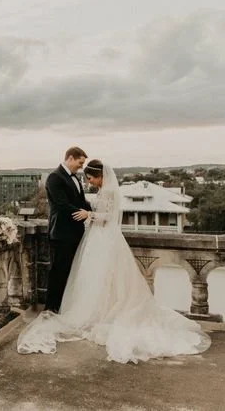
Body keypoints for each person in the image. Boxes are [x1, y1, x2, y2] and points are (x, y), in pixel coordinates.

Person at [18, 159, 211, 364]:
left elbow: (109, 216)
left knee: (105, 275)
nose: (90, 182)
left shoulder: (109, 192)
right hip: (96, 237)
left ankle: (102, 313)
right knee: (94, 277)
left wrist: (89, 214)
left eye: (91, 178)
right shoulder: (102, 191)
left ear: (100, 176)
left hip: (105, 238)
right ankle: (98, 310)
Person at [43, 146, 92, 313]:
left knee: (71, 272)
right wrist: (83, 214)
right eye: (80, 163)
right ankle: (51, 308)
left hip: (76, 233)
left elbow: (81, 201)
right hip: (61, 233)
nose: (81, 167)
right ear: (70, 158)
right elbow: (61, 204)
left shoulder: (76, 179)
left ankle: (65, 307)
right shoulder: (54, 178)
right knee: (58, 272)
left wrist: (91, 211)